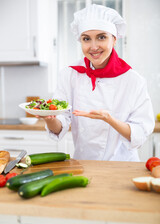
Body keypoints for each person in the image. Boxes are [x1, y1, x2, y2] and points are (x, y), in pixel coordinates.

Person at [43, 4, 155, 161]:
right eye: (86, 39)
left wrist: (109, 120)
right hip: (84, 163)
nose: (93, 46)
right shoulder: (69, 75)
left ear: (114, 39)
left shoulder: (133, 80)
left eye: (101, 37)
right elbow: (60, 123)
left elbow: (140, 132)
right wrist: (50, 118)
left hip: (122, 166)